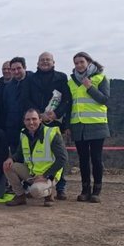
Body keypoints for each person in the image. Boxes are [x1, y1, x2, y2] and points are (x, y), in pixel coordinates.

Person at [20, 52, 72, 199]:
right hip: (34, 121)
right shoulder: (30, 79)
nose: (45, 62)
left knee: (58, 155)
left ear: (53, 62)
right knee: (34, 156)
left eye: (48, 60)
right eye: (42, 60)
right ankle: (35, 184)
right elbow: (25, 98)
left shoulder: (61, 77)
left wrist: (56, 114)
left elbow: (67, 99)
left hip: (54, 121)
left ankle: (60, 187)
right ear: (37, 63)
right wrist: (38, 115)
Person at [68, 51, 110, 203]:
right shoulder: (71, 81)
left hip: (97, 125)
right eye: (76, 63)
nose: (79, 65)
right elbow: (69, 103)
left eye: (81, 62)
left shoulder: (101, 78)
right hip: (78, 126)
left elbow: (104, 99)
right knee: (83, 160)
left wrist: (90, 87)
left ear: (89, 62)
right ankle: (85, 190)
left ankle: (96, 191)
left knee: (96, 159)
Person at [3, 108, 68, 207]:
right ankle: (20, 196)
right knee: (7, 166)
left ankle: (49, 193)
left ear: (40, 119)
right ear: (24, 121)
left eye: (34, 119)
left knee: (35, 190)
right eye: (28, 120)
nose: (31, 122)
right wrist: (11, 159)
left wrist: (45, 175)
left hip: (49, 175)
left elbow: (63, 159)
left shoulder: (51, 133)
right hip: (32, 173)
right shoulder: (24, 134)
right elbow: (19, 154)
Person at [0, 56, 31, 153]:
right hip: (13, 129)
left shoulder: (32, 81)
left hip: (30, 126)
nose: (16, 71)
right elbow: (6, 107)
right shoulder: (8, 87)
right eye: (13, 69)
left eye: (19, 68)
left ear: (25, 67)